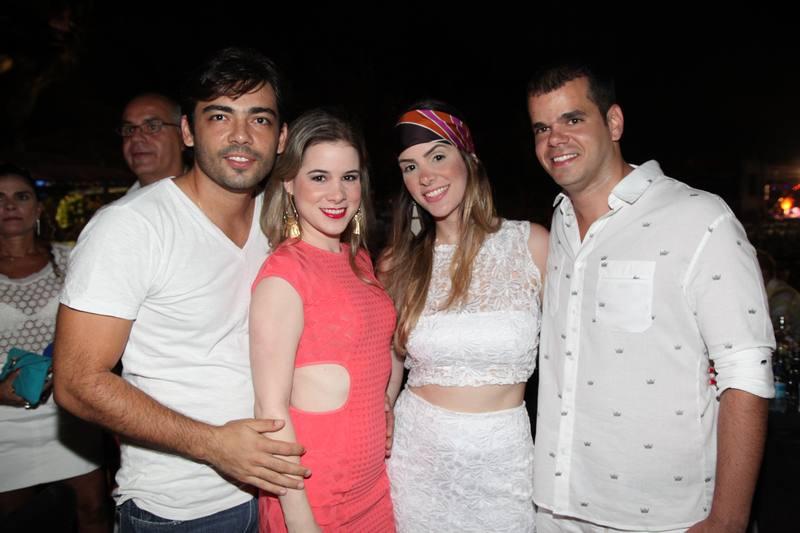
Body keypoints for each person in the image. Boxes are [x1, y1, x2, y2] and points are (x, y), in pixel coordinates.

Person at [53, 47, 309, 531]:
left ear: (281, 138)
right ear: (189, 131)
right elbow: (77, 381)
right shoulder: (131, 227)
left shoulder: (281, 221)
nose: (240, 135)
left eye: (259, 119)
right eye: (220, 116)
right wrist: (213, 445)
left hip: (282, 494)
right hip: (180, 508)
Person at [527, 63, 775, 532]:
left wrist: (729, 518)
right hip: (553, 509)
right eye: (542, 127)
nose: (555, 139)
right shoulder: (557, 225)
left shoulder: (700, 219)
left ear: (614, 122)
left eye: (573, 119)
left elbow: (747, 370)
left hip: (662, 518)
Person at [380, 101, 548, 532]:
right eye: (410, 167)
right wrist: (382, 407)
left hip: (502, 462)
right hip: (417, 460)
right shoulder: (399, 262)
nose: (425, 177)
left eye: (437, 156)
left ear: (469, 159)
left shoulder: (532, 245)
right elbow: (391, 359)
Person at [251, 109, 396, 532]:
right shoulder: (285, 273)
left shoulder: (358, 260)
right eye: (319, 177)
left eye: (349, 177)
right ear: (288, 182)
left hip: (373, 488)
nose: (338, 194)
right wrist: (301, 523)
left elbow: (371, 355)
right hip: (317, 498)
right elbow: (270, 411)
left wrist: (385, 405)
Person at [0, 163, 109, 532]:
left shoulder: (70, 260)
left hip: (68, 408)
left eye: (21, 197)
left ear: (37, 208)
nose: (9, 206)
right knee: (15, 521)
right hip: (3, 418)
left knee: (93, 508)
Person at [119, 93, 185, 192]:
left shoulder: (207, 197)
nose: (135, 138)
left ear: (183, 136)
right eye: (129, 129)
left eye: (152, 127)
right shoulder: (124, 202)